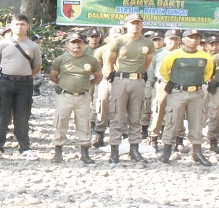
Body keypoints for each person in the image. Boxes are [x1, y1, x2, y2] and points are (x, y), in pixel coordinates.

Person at [102, 13, 155, 163]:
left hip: (137, 81)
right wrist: (115, 77)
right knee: (117, 116)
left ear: (142, 25)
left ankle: (134, 150)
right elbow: (109, 62)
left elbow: (146, 63)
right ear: (126, 25)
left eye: (138, 23)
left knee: (135, 116)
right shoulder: (119, 41)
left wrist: (138, 75)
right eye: (132, 23)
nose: (135, 26)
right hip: (120, 80)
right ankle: (114, 150)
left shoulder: (148, 43)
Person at [0, 15, 42, 160]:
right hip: (4, 82)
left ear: (28, 26)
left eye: (23, 24)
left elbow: (37, 66)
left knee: (22, 116)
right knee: (2, 116)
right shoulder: (1, 44)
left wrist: (26, 75)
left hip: (24, 84)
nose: (20, 27)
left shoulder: (33, 45)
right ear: (11, 26)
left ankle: (25, 148)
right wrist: (3, 76)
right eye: (17, 24)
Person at [158, 29, 214, 166]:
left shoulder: (205, 56)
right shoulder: (175, 54)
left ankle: (197, 152)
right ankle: (166, 151)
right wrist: (173, 81)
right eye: (190, 37)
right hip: (178, 91)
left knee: (197, 122)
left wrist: (196, 83)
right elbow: (163, 70)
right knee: (172, 120)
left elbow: (208, 73)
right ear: (183, 39)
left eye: (196, 38)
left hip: (196, 93)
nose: (193, 40)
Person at [50, 31, 103, 164]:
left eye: (79, 42)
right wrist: (64, 85)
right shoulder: (61, 59)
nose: (76, 45)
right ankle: (58, 153)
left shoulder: (91, 60)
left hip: (83, 97)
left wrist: (86, 85)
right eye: (73, 42)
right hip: (65, 95)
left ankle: (85, 154)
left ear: (84, 44)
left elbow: (98, 77)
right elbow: (53, 76)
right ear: (68, 44)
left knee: (84, 124)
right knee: (61, 122)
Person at [147, 29, 182, 150]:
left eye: (176, 39)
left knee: (178, 112)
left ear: (180, 40)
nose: (173, 42)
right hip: (162, 84)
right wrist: (150, 85)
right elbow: (150, 70)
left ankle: (178, 139)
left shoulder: (183, 53)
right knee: (158, 110)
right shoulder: (158, 53)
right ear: (165, 40)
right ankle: (154, 137)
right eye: (171, 39)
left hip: (179, 85)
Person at [92, 26, 125, 148]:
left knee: (123, 108)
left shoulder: (128, 49)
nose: (117, 40)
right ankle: (99, 134)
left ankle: (124, 135)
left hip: (123, 80)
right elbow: (96, 66)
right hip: (107, 81)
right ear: (109, 38)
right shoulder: (102, 50)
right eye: (115, 37)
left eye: (120, 37)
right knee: (102, 105)